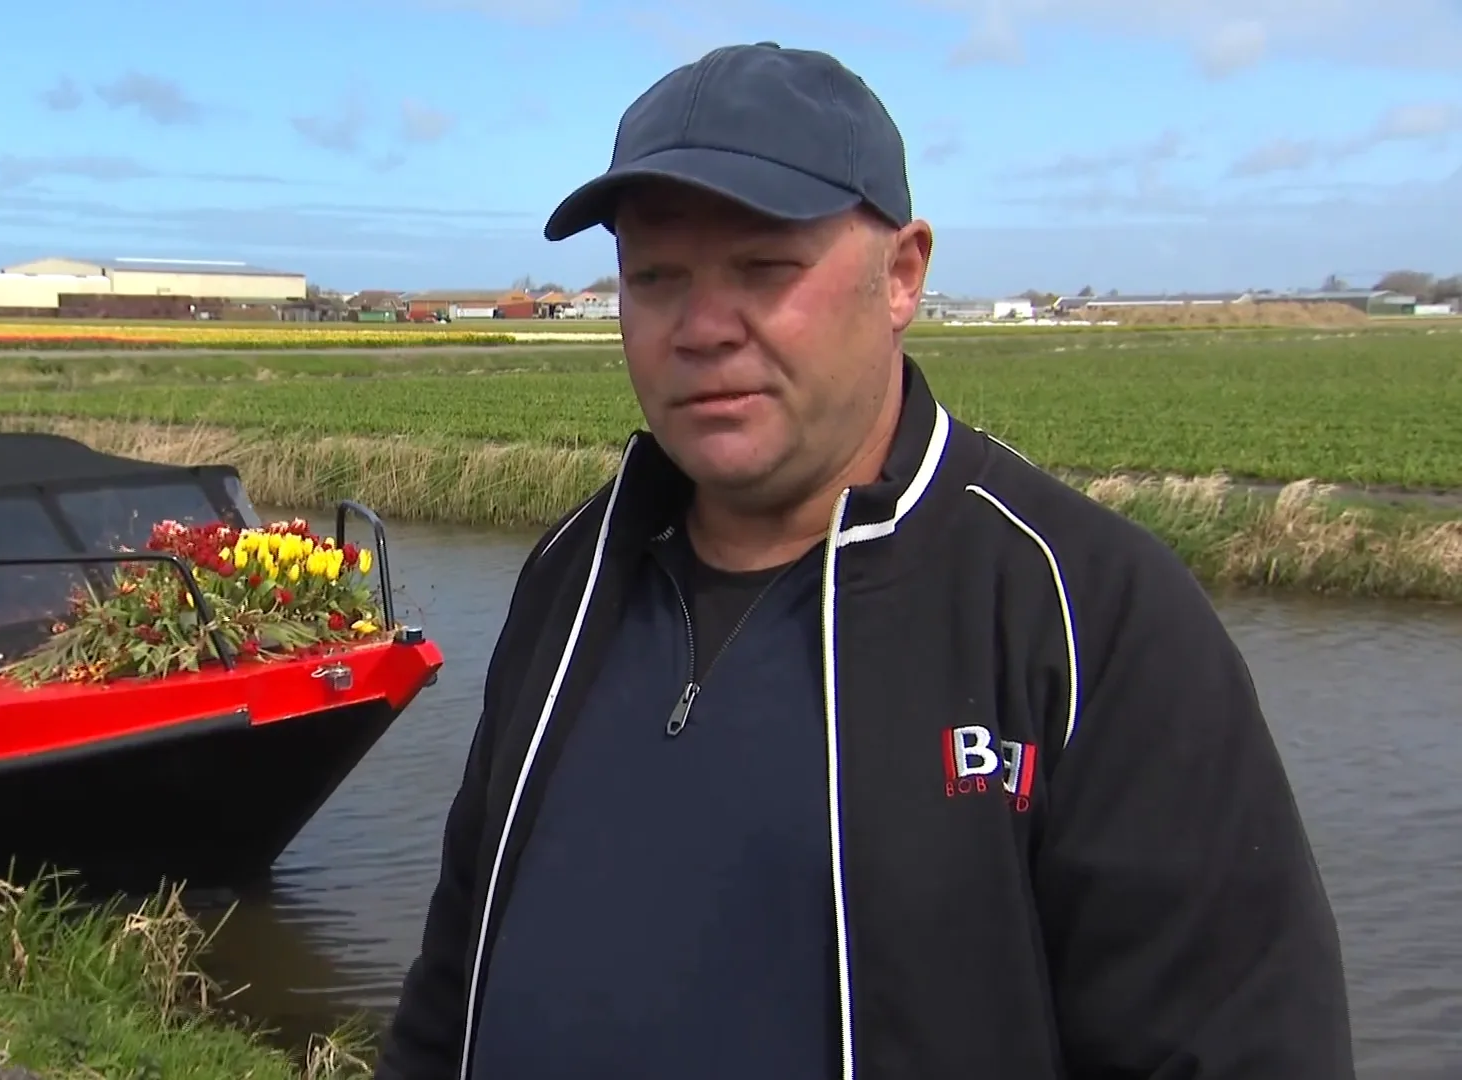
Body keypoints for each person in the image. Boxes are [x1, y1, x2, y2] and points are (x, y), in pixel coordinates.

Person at [373, 41, 1355, 1080]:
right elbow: (450, 986)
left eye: (764, 268)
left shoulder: (1084, 614)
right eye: (656, 277)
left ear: (902, 275)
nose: (702, 328)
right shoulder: (574, 571)